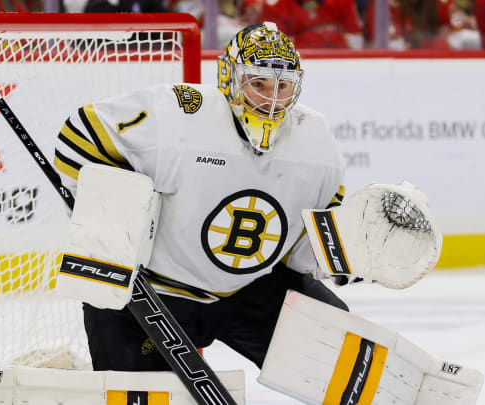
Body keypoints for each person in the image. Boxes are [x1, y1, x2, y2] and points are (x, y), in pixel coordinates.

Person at [53, 22, 349, 371]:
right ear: (230, 79)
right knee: (134, 394)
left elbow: (308, 245)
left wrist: (347, 257)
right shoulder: (181, 114)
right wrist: (114, 231)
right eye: (258, 84)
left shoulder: (316, 141)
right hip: (152, 293)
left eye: (282, 86)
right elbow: (80, 136)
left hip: (248, 292)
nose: (272, 99)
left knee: (341, 354)